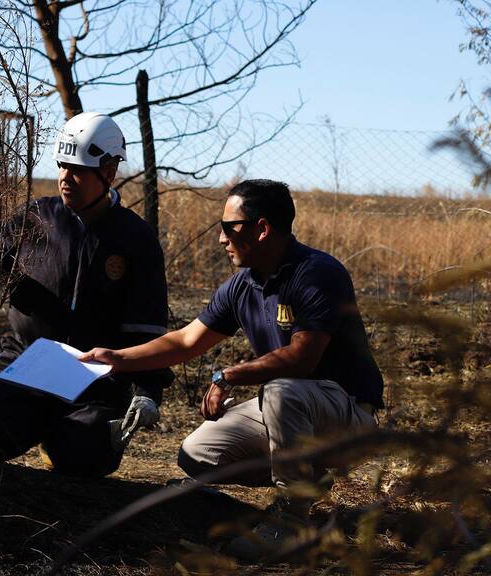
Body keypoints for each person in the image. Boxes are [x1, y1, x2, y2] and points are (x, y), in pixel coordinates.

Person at [80, 179, 384, 557]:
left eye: (229, 227)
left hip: (347, 415)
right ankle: (307, 479)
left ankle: (290, 523)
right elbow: (185, 340)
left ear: (262, 229)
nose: (221, 238)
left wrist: (228, 375)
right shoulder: (242, 285)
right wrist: (119, 359)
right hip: (290, 410)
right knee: (197, 454)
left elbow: (301, 358)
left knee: (281, 390)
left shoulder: (317, 273)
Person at [0, 112, 172, 477]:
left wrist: (148, 389)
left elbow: (148, 324)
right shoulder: (34, 218)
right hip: (27, 361)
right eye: (62, 165)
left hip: (98, 375)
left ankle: (63, 438)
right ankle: (39, 421)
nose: (65, 178)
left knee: (84, 459)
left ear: (108, 172)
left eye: (77, 169)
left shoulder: (135, 238)